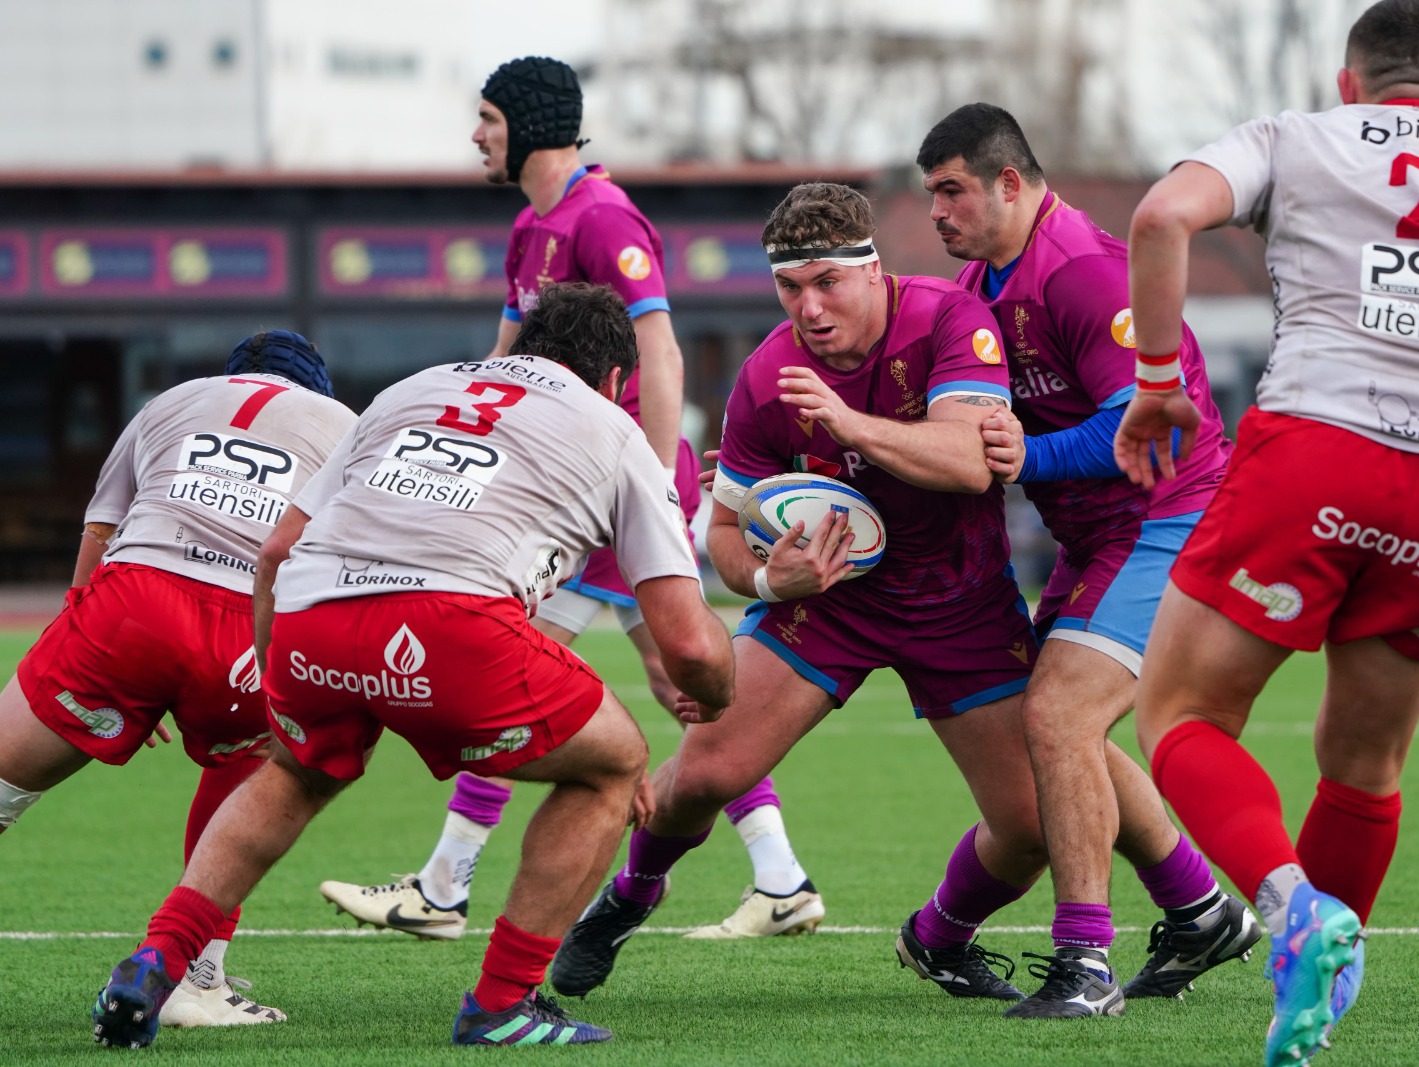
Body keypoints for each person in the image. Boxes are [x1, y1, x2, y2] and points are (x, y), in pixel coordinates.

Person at [1111, 2, 1419, 1063]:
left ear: (1350, 82)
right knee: (1364, 759)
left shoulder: (1294, 136)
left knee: (1182, 713)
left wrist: (1156, 384)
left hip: (1317, 450)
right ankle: (1313, 998)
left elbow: (1157, 217)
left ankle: (1292, 906)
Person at [88, 282, 736, 1049]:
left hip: (313, 610)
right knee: (615, 762)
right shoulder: (617, 430)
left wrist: (278, 685)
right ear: (618, 381)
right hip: (449, 622)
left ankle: (157, 956)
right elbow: (690, 645)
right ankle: (500, 1004)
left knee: (297, 769)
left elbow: (276, 550)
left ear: (525, 344)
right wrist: (720, 692)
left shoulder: (412, 388)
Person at [320, 55, 819, 942]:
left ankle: (443, 887)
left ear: (530, 122)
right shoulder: (528, 229)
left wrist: (662, 495)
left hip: (606, 498)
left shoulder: (605, 217)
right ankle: (780, 875)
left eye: (487, 118)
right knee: (674, 680)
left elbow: (658, 353)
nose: (476, 135)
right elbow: (502, 360)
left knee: (518, 665)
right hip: (561, 492)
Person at [549, 182, 1049, 1007]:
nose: (808, 307)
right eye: (790, 288)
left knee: (1031, 827)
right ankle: (630, 894)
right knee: (702, 774)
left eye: (827, 282)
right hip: (827, 607)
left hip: (960, 602)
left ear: (874, 270)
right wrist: (765, 577)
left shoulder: (950, 320)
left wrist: (848, 425)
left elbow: (971, 462)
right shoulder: (767, 373)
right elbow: (721, 534)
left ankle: (940, 933)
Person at [915, 104, 1260, 1019]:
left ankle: (1085, 964)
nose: (937, 213)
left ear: (1011, 184)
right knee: (1064, 727)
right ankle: (1196, 908)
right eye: (930, 195)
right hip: (1095, 537)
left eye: (952, 191)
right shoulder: (985, 284)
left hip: (1171, 516)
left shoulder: (1083, 273)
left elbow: (1129, 429)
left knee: (1061, 715)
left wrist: (1023, 454)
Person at [0, 331, 354, 1028]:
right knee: (253, 773)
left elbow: (100, 531)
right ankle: (197, 976)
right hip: (246, 626)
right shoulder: (344, 424)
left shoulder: (172, 400)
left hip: (132, 600)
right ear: (316, 386)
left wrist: (87, 632)